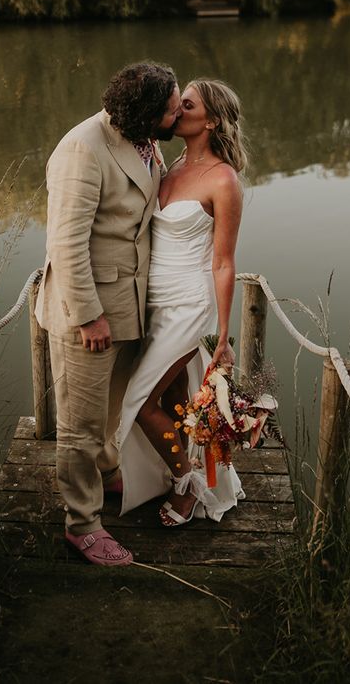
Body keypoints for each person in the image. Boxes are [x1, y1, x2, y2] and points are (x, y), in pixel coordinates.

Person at [34, 62, 182, 566]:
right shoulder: (83, 148)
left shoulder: (145, 141)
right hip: (89, 313)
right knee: (78, 423)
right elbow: (67, 242)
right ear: (144, 112)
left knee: (113, 409)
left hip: (130, 308)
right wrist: (87, 315)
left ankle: (108, 469)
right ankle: (82, 524)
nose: (177, 113)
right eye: (170, 108)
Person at [116, 79, 248, 526]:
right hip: (153, 302)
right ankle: (184, 474)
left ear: (210, 120)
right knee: (175, 398)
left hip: (191, 305)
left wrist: (224, 334)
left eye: (186, 105)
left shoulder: (224, 180)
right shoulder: (164, 166)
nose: (175, 110)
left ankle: (186, 481)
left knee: (139, 402)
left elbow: (225, 263)